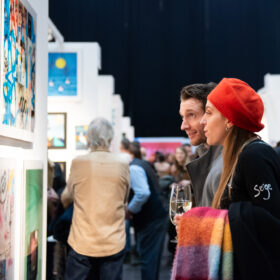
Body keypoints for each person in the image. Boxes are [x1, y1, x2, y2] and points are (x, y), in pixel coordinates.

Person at [200, 78, 280, 278]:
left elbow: (269, 226)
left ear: (229, 119)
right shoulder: (240, 155)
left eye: (209, 113)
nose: (203, 121)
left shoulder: (254, 155)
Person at [61, 117, 130, 280]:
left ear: (88, 137)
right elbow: (124, 199)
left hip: (82, 241)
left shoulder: (79, 162)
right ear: (111, 137)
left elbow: (66, 197)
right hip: (113, 241)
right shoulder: (122, 163)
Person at [127, 141, 167, 280]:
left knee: (148, 260)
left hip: (151, 219)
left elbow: (143, 193)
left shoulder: (134, 168)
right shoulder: (141, 164)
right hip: (155, 217)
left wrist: (130, 210)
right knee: (150, 259)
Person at [179, 82, 222, 206]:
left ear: (210, 114)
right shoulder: (201, 153)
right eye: (183, 117)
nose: (183, 126)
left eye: (191, 115)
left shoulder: (241, 156)